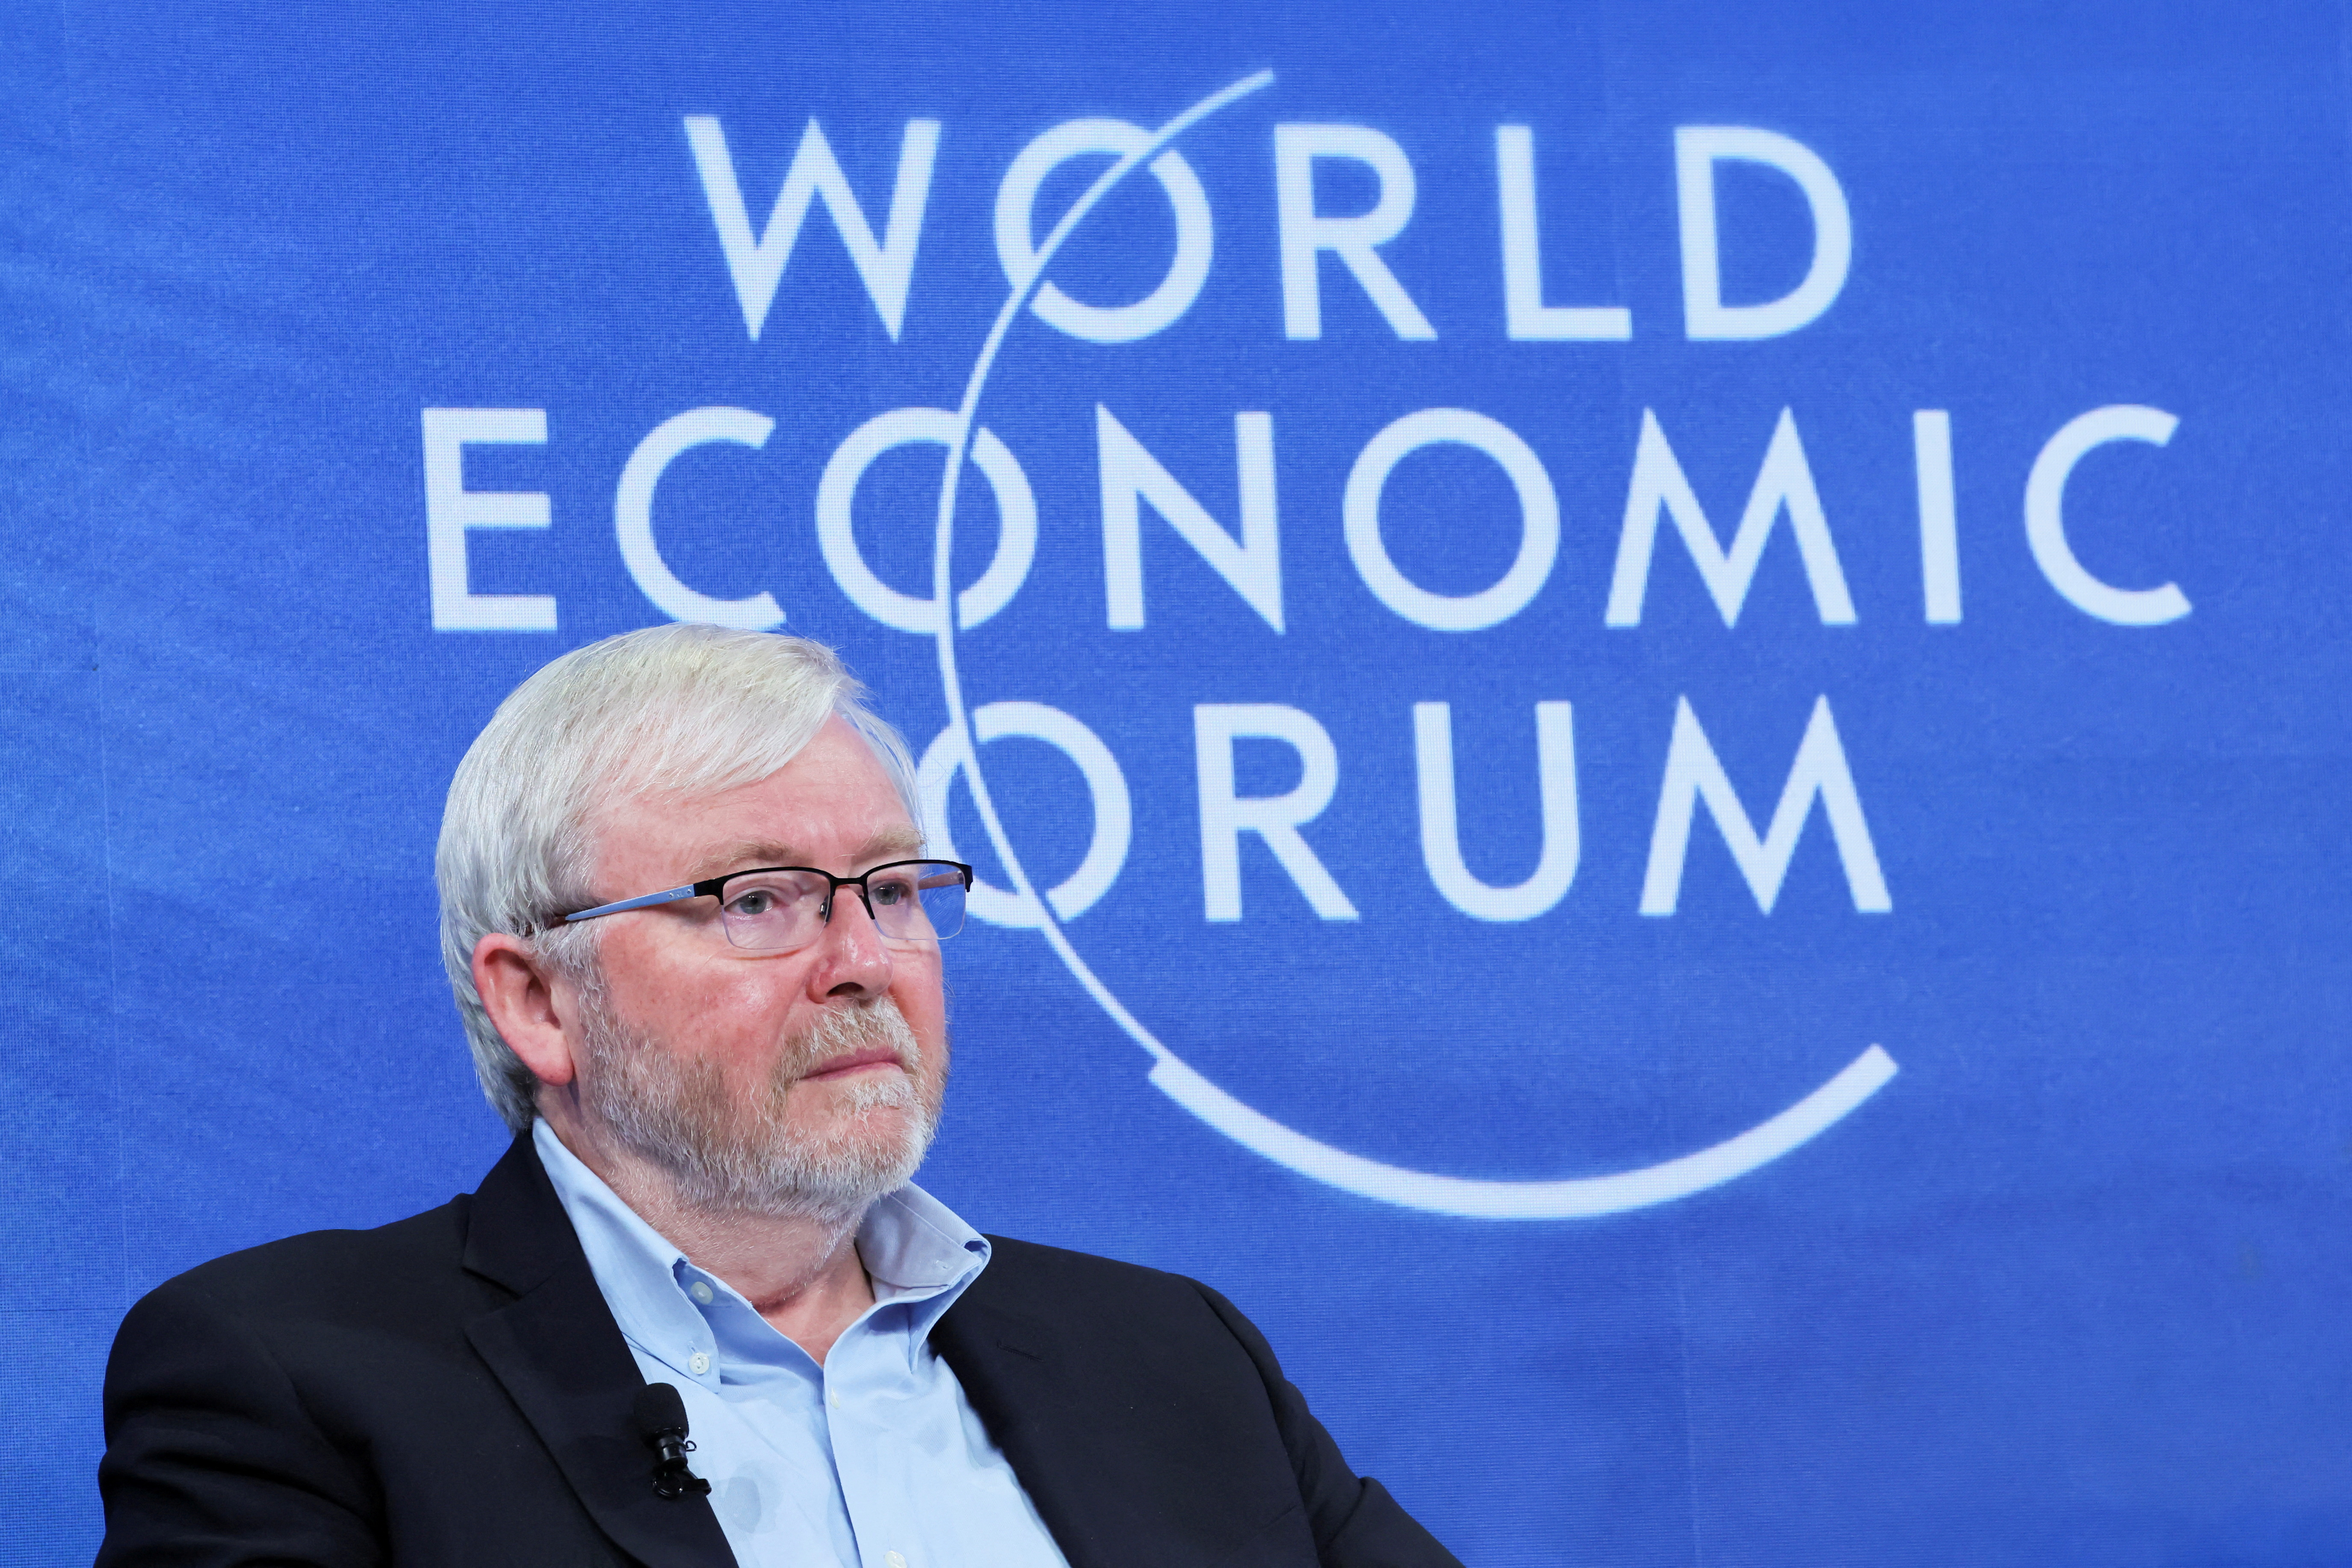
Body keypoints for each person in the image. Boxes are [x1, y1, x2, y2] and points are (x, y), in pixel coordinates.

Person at [96, 625, 1461, 1568]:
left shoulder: (1167, 1356)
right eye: (757, 900)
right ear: (537, 1000)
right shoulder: (295, 1376)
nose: (863, 961)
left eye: (894, 889)